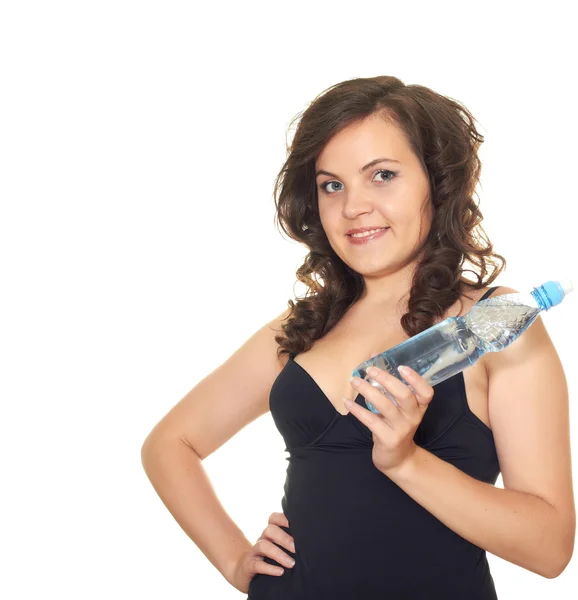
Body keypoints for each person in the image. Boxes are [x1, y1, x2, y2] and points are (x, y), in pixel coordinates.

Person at [141, 75, 575, 599]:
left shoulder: (495, 324)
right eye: (332, 185)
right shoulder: (300, 329)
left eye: (383, 175)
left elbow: (550, 549)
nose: (353, 207)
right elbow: (170, 444)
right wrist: (235, 558)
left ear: (436, 183)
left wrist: (407, 461)